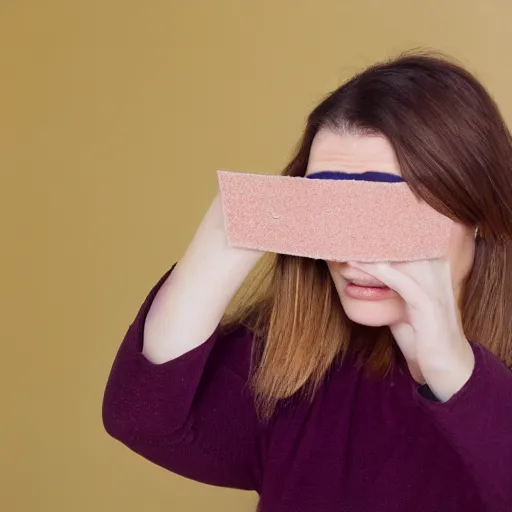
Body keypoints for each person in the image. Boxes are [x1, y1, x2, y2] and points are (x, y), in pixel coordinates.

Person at [102, 53, 512, 511]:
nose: (354, 255)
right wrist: (226, 231)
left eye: (391, 215)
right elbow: (143, 419)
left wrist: (458, 377)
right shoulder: (296, 376)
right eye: (328, 212)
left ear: (476, 213)